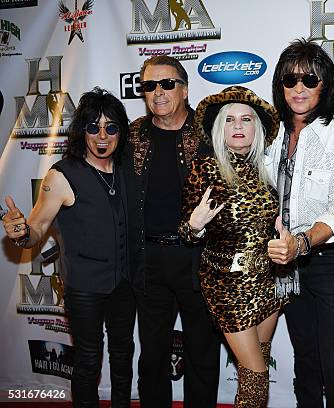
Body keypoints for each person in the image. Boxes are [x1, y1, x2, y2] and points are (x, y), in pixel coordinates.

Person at [2, 88, 135, 407]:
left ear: (120, 132)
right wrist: (19, 233)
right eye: (93, 127)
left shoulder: (126, 170)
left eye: (111, 127)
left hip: (125, 284)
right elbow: (35, 232)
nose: (102, 136)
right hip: (84, 287)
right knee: (89, 361)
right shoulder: (62, 176)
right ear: (82, 131)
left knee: (123, 357)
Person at [266, 38, 334, 407]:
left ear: (325, 84)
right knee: (304, 361)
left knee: (331, 364)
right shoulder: (272, 135)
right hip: (284, 264)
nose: (299, 88)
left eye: (309, 79)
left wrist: (302, 243)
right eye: (290, 80)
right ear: (280, 86)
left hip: (328, 262)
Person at [123, 55, 220, 407]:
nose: (158, 92)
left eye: (167, 84)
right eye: (149, 86)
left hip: (199, 259)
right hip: (149, 261)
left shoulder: (210, 131)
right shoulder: (131, 135)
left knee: (202, 353)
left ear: (184, 89)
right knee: (152, 357)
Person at [179, 86, 283, 407]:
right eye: (230, 120)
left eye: (246, 119)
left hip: (269, 282)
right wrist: (194, 225)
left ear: (258, 128)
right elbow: (186, 232)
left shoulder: (265, 169)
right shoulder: (206, 169)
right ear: (218, 128)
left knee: (258, 367)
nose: (238, 127)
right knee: (255, 377)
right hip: (228, 284)